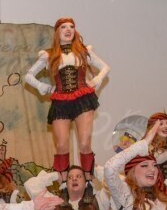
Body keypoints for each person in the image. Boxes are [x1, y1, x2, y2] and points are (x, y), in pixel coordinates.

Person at [25, 18, 109, 181]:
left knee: (84, 143)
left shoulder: (83, 51)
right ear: (57, 31)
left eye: (71, 27)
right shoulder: (49, 55)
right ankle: (64, 184)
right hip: (61, 101)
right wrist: (44, 87)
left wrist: (96, 80)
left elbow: (105, 67)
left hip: (82, 99)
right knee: (62, 145)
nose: (68, 29)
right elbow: (28, 76)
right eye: (64, 27)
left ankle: (88, 182)